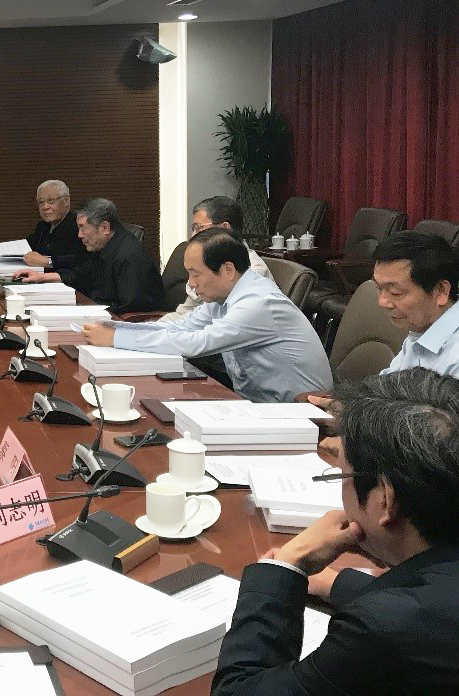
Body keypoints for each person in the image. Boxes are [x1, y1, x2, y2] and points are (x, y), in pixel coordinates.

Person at [212, 368, 459, 695]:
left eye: (342, 475)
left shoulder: (381, 628)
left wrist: (285, 565)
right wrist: (336, 584)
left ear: (385, 500)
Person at [84, 228, 332, 403]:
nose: (191, 284)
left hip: (298, 412)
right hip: (253, 403)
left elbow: (197, 343)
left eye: (196, 274)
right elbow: (180, 327)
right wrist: (116, 330)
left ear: (227, 270)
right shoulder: (225, 297)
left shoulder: (258, 303)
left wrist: (116, 339)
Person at [15, 198, 164, 313]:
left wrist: (83, 313)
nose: (79, 235)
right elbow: (83, 275)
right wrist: (43, 277)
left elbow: (131, 311)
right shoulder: (102, 247)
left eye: (83, 228)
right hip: (96, 311)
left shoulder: (130, 256)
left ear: (104, 228)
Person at [161, 196, 273, 322]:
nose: (193, 236)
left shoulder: (252, 272)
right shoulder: (206, 263)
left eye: (199, 228)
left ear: (224, 228)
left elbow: (228, 326)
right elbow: (184, 313)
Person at [374, 230, 459, 375]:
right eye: (378, 288)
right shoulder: (421, 330)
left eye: (395, 292)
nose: (382, 302)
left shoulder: (455, 357)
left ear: (441, 290)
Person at [21, 179, 87, 272]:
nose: (45, 207)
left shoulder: (79, 225)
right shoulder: (42, 227)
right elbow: (24, 247)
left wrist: (48, 261)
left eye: (51, 201)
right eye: (41, 202)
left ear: (66, 201)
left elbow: (83, 259)